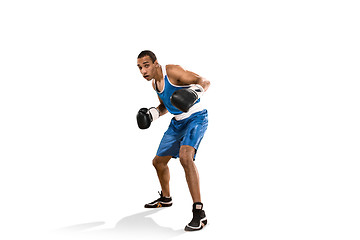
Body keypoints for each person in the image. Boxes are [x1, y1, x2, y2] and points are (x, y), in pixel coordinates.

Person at [136, 50, 210, 231]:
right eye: (139, 68)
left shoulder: (173, 72)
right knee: (158, 162)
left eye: (146, 65)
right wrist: (153, 114)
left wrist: (194, 91)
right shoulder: (155, 84)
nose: (143, 71)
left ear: (155, 64)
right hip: (177, 123)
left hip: (196, 118)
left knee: (186, 157)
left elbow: (204, 82)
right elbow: (166, 106)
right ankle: (166, 198)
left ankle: (199, 213)